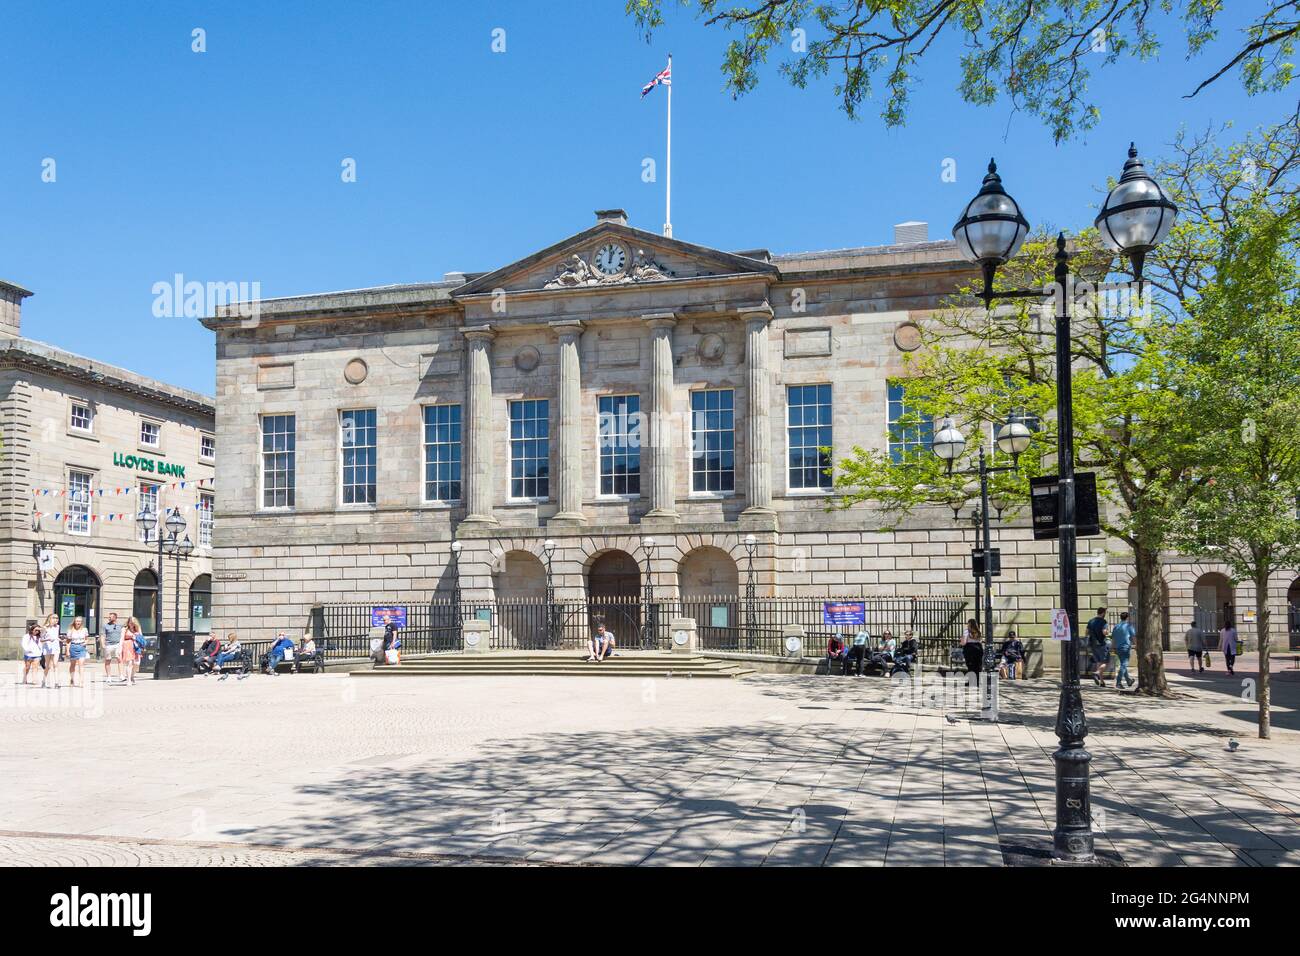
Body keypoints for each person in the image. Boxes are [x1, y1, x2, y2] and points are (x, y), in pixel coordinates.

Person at [1085, 607, 1110, 687]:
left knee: (1098, 662)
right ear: (1103, 613)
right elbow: (1104, 632)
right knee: (1105, 662)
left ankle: (1101, 682)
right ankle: (1096, 673)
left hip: (1093, 644)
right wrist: (1107, 633)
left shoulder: (1091, 621)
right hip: (1102, 644)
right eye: (1105, 613)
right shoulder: (1103, 622)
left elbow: (1086, 632)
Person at [1111, 611, 1135, 688]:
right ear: (1127, 618)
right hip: (1125, 647)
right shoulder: (1129, 626)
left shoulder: (1116, 626)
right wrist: (1136, 645)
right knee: (1124, 665)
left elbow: (1113, 638)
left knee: (1122, 665)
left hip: (1117, 648)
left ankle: (1128, 681)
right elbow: (1133, 637)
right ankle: (1118, 682)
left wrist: (1113, 647)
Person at [65, 615, 90, 688]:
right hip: (73, 647)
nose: (78, 622)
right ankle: (72, 679)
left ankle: (81, 681)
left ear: (81, 622)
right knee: (73, 664)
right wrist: (67, 651)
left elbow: (86, 638)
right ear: (74, 622)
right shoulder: (70, 630)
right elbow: (68, 641)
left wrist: (85, 642)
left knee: (81, 664)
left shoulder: (84, 629)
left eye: (80, 621)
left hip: (81, 647)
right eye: (77, 621)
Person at [101, 612, 123, 683]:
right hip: (109, 644)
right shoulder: (105, 626)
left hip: (118, 644)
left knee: (119, 659)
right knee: (108, 660)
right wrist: (103, 644)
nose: (109, 618)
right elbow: (103, 635)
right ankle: (109, 677)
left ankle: (121, 676)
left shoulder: (120, 625)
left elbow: (123, 634)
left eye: (110, 617)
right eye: (109, 617)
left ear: (115, 618)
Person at [122, 617, 145, 685]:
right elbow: (122, 638)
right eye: (130, 622)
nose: (131, 624)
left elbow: (141, 638)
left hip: (136, 648)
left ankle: (132, 676)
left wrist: (137, 637)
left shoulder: (137, 629)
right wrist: (120, 648)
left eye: (133, 623)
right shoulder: (125, 629)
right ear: (128, 622)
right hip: (127, 646)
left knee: (136, 664)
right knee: (129, 663)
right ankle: (128, 680)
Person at [36, 623, 59, 689]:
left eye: (57, 618)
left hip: (55, 648)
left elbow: (56, 637)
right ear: (49, 619)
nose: (56, 620)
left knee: (55, 664)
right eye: (54, 618)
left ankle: (56, 683)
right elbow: (41, 640)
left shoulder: (57, 627)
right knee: (48, 666)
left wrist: (61, 639)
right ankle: (43, 681)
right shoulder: (45, 628)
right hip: (47, 648)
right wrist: (48, 639)